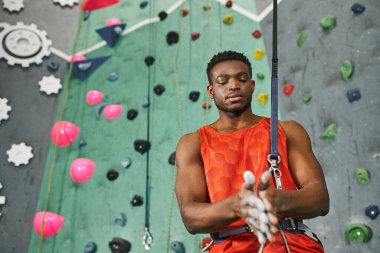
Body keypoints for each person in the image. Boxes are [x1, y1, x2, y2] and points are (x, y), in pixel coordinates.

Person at [175, 51, 329, 252]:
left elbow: (320, 199)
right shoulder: (192, 143)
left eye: (242, 78)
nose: (233, 85)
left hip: (290, 244)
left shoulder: (288, 130)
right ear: (211, 90)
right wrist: (237, 205)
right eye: (223, 81)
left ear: (252, 85)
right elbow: (190, 218)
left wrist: (278, 200)